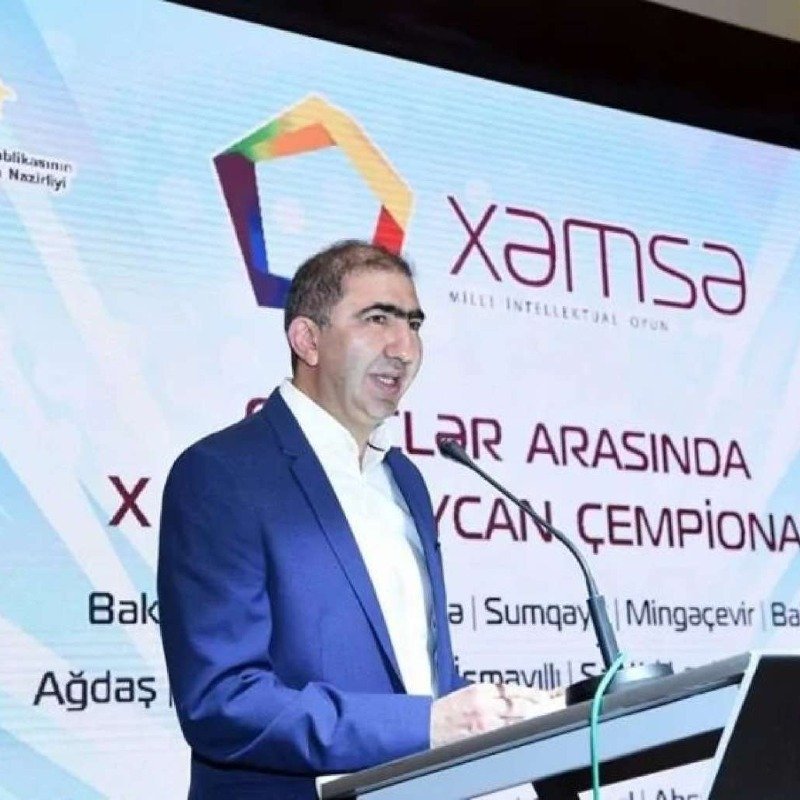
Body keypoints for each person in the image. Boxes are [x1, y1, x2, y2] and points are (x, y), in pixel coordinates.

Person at [158, 240, 562, 799]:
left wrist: (508, 712)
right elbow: (224, 702)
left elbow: (416, 678)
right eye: (378, 319)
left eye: (413, 324)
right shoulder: (222, 474)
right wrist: (429, 724)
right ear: (307, 339)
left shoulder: (405, 480)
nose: (405, 347)